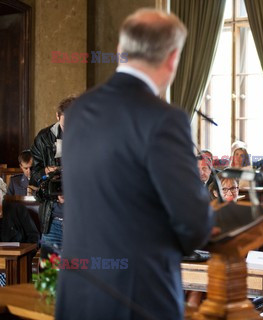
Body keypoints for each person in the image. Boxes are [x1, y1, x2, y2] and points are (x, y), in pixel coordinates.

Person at [56, 9, 213, 320]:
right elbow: (193, 225)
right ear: (172, 58)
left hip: (76, 292)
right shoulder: (165, 119)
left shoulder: (79, 111)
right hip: (137, 297)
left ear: (119, 51)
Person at [30, 96, 76, 252]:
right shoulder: (44, 138)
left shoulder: (90, 137)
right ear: (57, 116)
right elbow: (34, 174)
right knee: (48, 273)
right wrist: (45, 171)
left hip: (81, 221)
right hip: (52, 219)